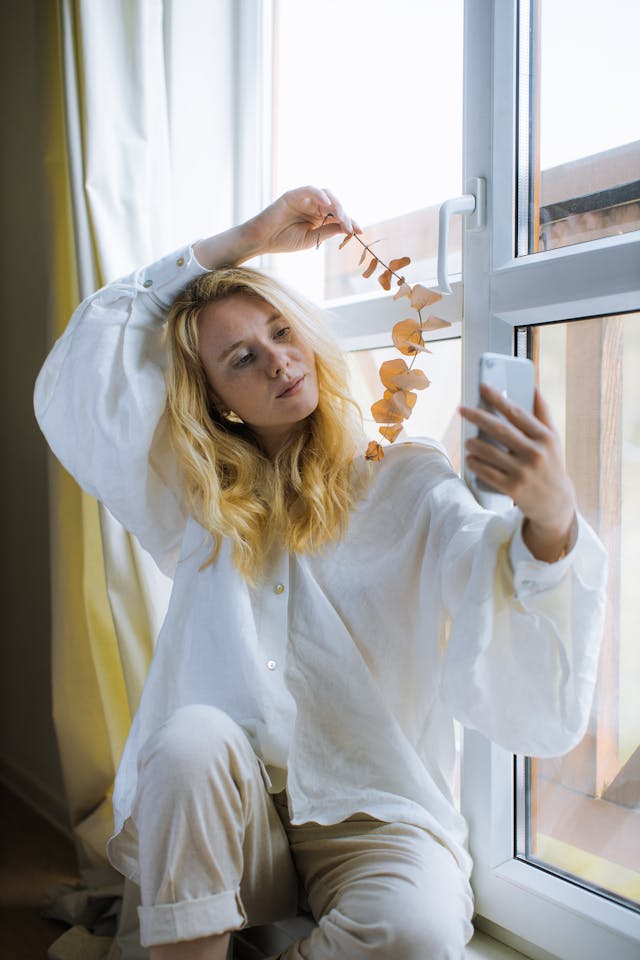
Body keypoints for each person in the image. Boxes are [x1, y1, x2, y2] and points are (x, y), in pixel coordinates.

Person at [34, 186, 607, 960]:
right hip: (229, 814)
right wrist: (243, 239)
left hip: (374, 813)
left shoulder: (404, 481)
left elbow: (487, 571)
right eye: (242, 358)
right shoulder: (196, 504)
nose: (277, 360)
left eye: (281, 331)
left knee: (419, 932)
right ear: (218, 400)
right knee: (190, 739)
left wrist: (550, 516)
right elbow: (86, 367)